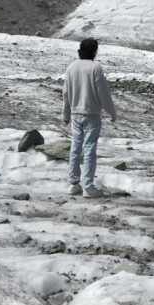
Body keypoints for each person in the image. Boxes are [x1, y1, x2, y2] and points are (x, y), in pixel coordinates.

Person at [62, 37, 117, 197]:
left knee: (75, 147)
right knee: (89, 149)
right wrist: (111, 112)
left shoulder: (71, 67)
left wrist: (66, 114)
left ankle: (73, 184)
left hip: (75, 113)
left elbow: (66, 93)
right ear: (94, 51)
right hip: (91, 114)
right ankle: (88, 186)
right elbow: (103, 94)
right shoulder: (95, 67)